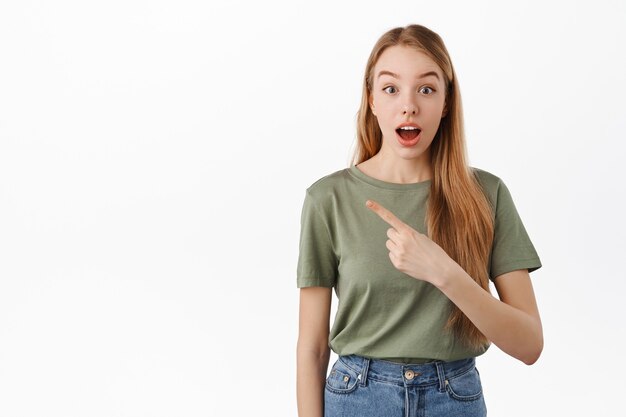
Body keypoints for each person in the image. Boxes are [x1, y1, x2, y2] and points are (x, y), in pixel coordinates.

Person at [295, 24, 543, 417]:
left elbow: (530, 345)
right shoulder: (329, 198)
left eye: (426, 89)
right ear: (372, 100)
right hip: (357, 397)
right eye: (391, 88)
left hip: (455, 398)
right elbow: (312, 347)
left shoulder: (487, 194)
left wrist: (445, 272)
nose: (408, 105)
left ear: (446, 102)